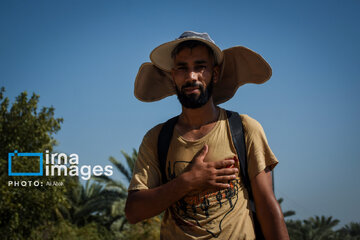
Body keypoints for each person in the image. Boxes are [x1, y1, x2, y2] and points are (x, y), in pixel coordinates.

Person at [125, 31, 289, 240]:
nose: (191, 76)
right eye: (182, 68)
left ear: (215, 73)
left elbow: (267, 206)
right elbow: (133, 211)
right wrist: (187, 182)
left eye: (200, 67)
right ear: (173, 76)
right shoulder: (157, 138)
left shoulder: (244, 129)